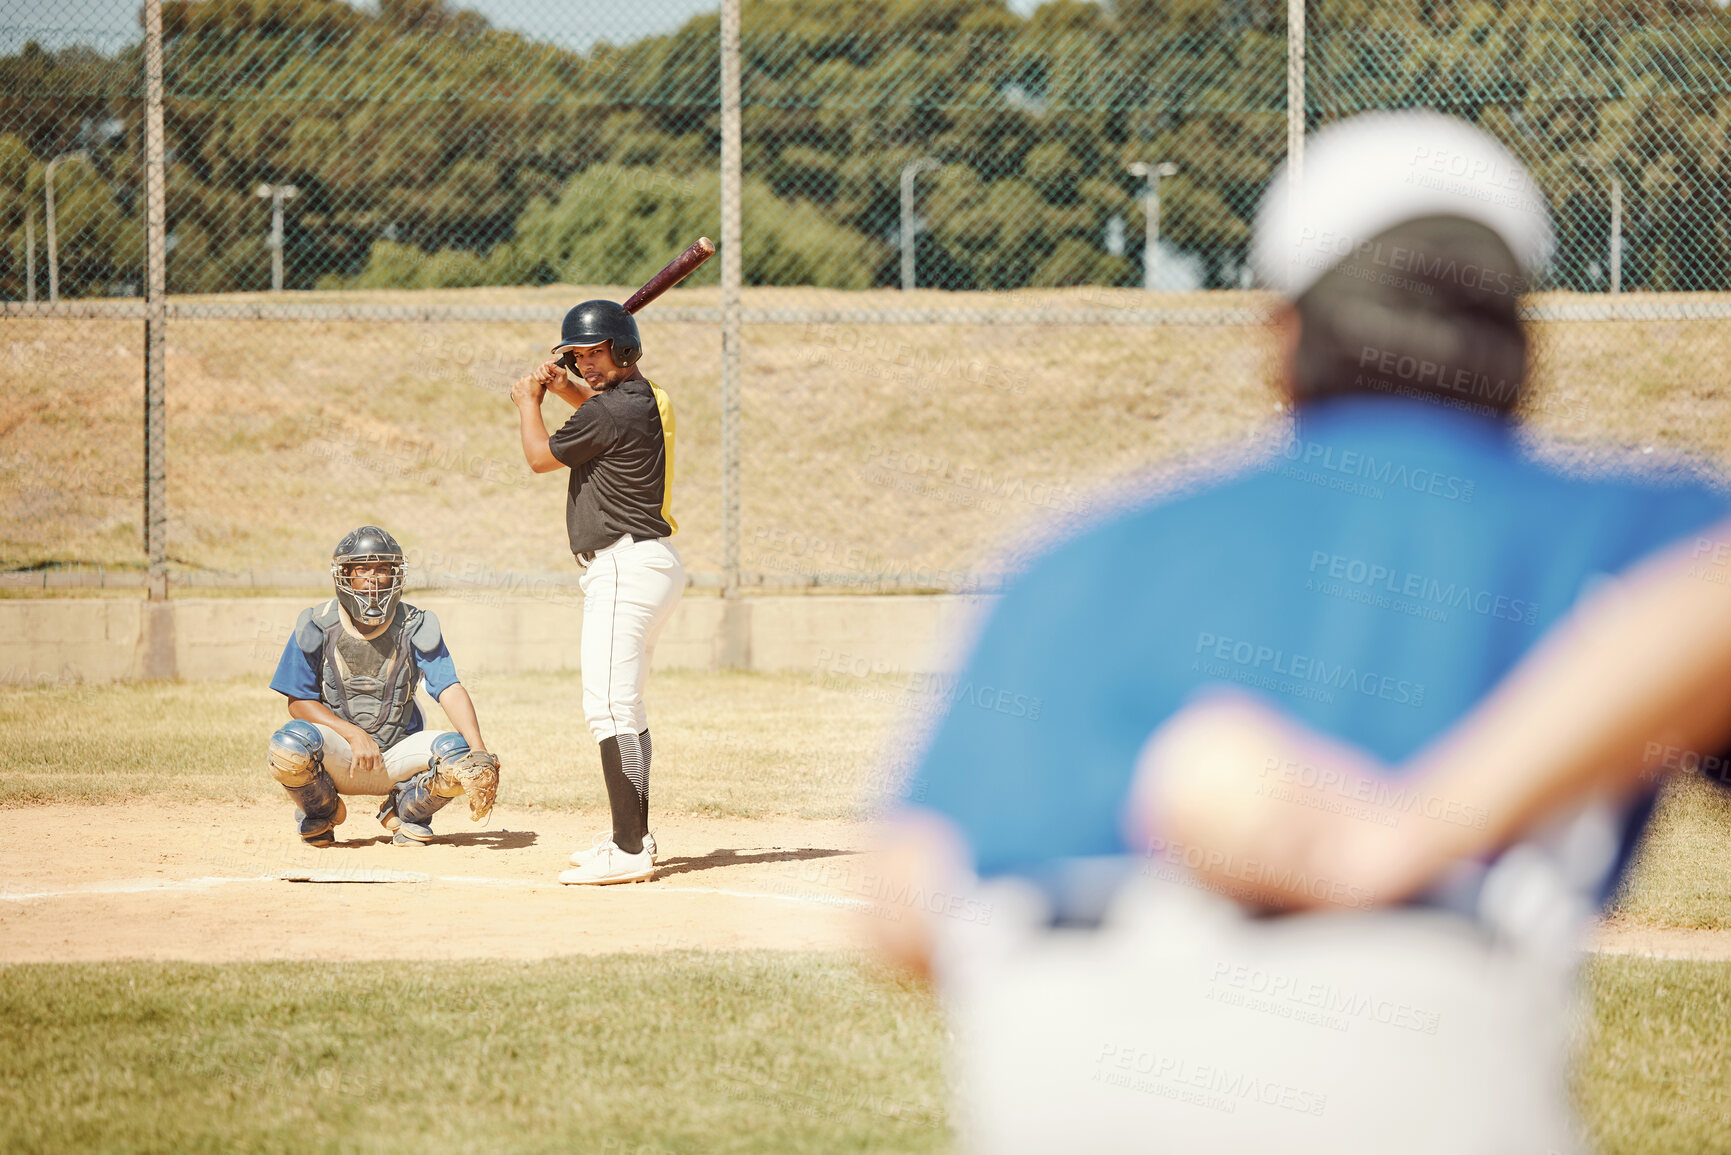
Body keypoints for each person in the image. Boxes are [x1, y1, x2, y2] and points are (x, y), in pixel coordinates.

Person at [871, 110, 1731, 1154]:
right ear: (1517, 334)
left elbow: (902, 907)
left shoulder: (1083, 553)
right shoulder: (1624, 521)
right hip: (1408, 1051)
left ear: (1283, 336)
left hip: (1052, 1078)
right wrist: (1422, 825)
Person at [510, 299, 683, 886]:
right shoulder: (640, 400)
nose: (587, 365)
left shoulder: (609, 412)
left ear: (625, 350)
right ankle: (630, 836)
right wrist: (567, 389)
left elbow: (539, 457)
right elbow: (598, 412)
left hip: (622, 566)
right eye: (578, 356)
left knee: (608, 708)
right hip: (645, 565)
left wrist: (529, 403)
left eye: (595, 353)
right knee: (624, 706)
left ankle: (630, 849)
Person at [266, 525, 499, 847]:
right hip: (339, 756)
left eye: (383, 570)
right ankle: (322, 809)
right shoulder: (317, 623)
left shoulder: (415, 623)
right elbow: (298, 702)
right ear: (344, 575)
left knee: (459, 756)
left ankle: (406, 810)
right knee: (288, 745)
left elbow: (448, 687)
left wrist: (479, 751)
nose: (373, 579)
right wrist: (353, 733)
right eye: (362, 569)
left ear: (396, 575)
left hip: (396, 756)